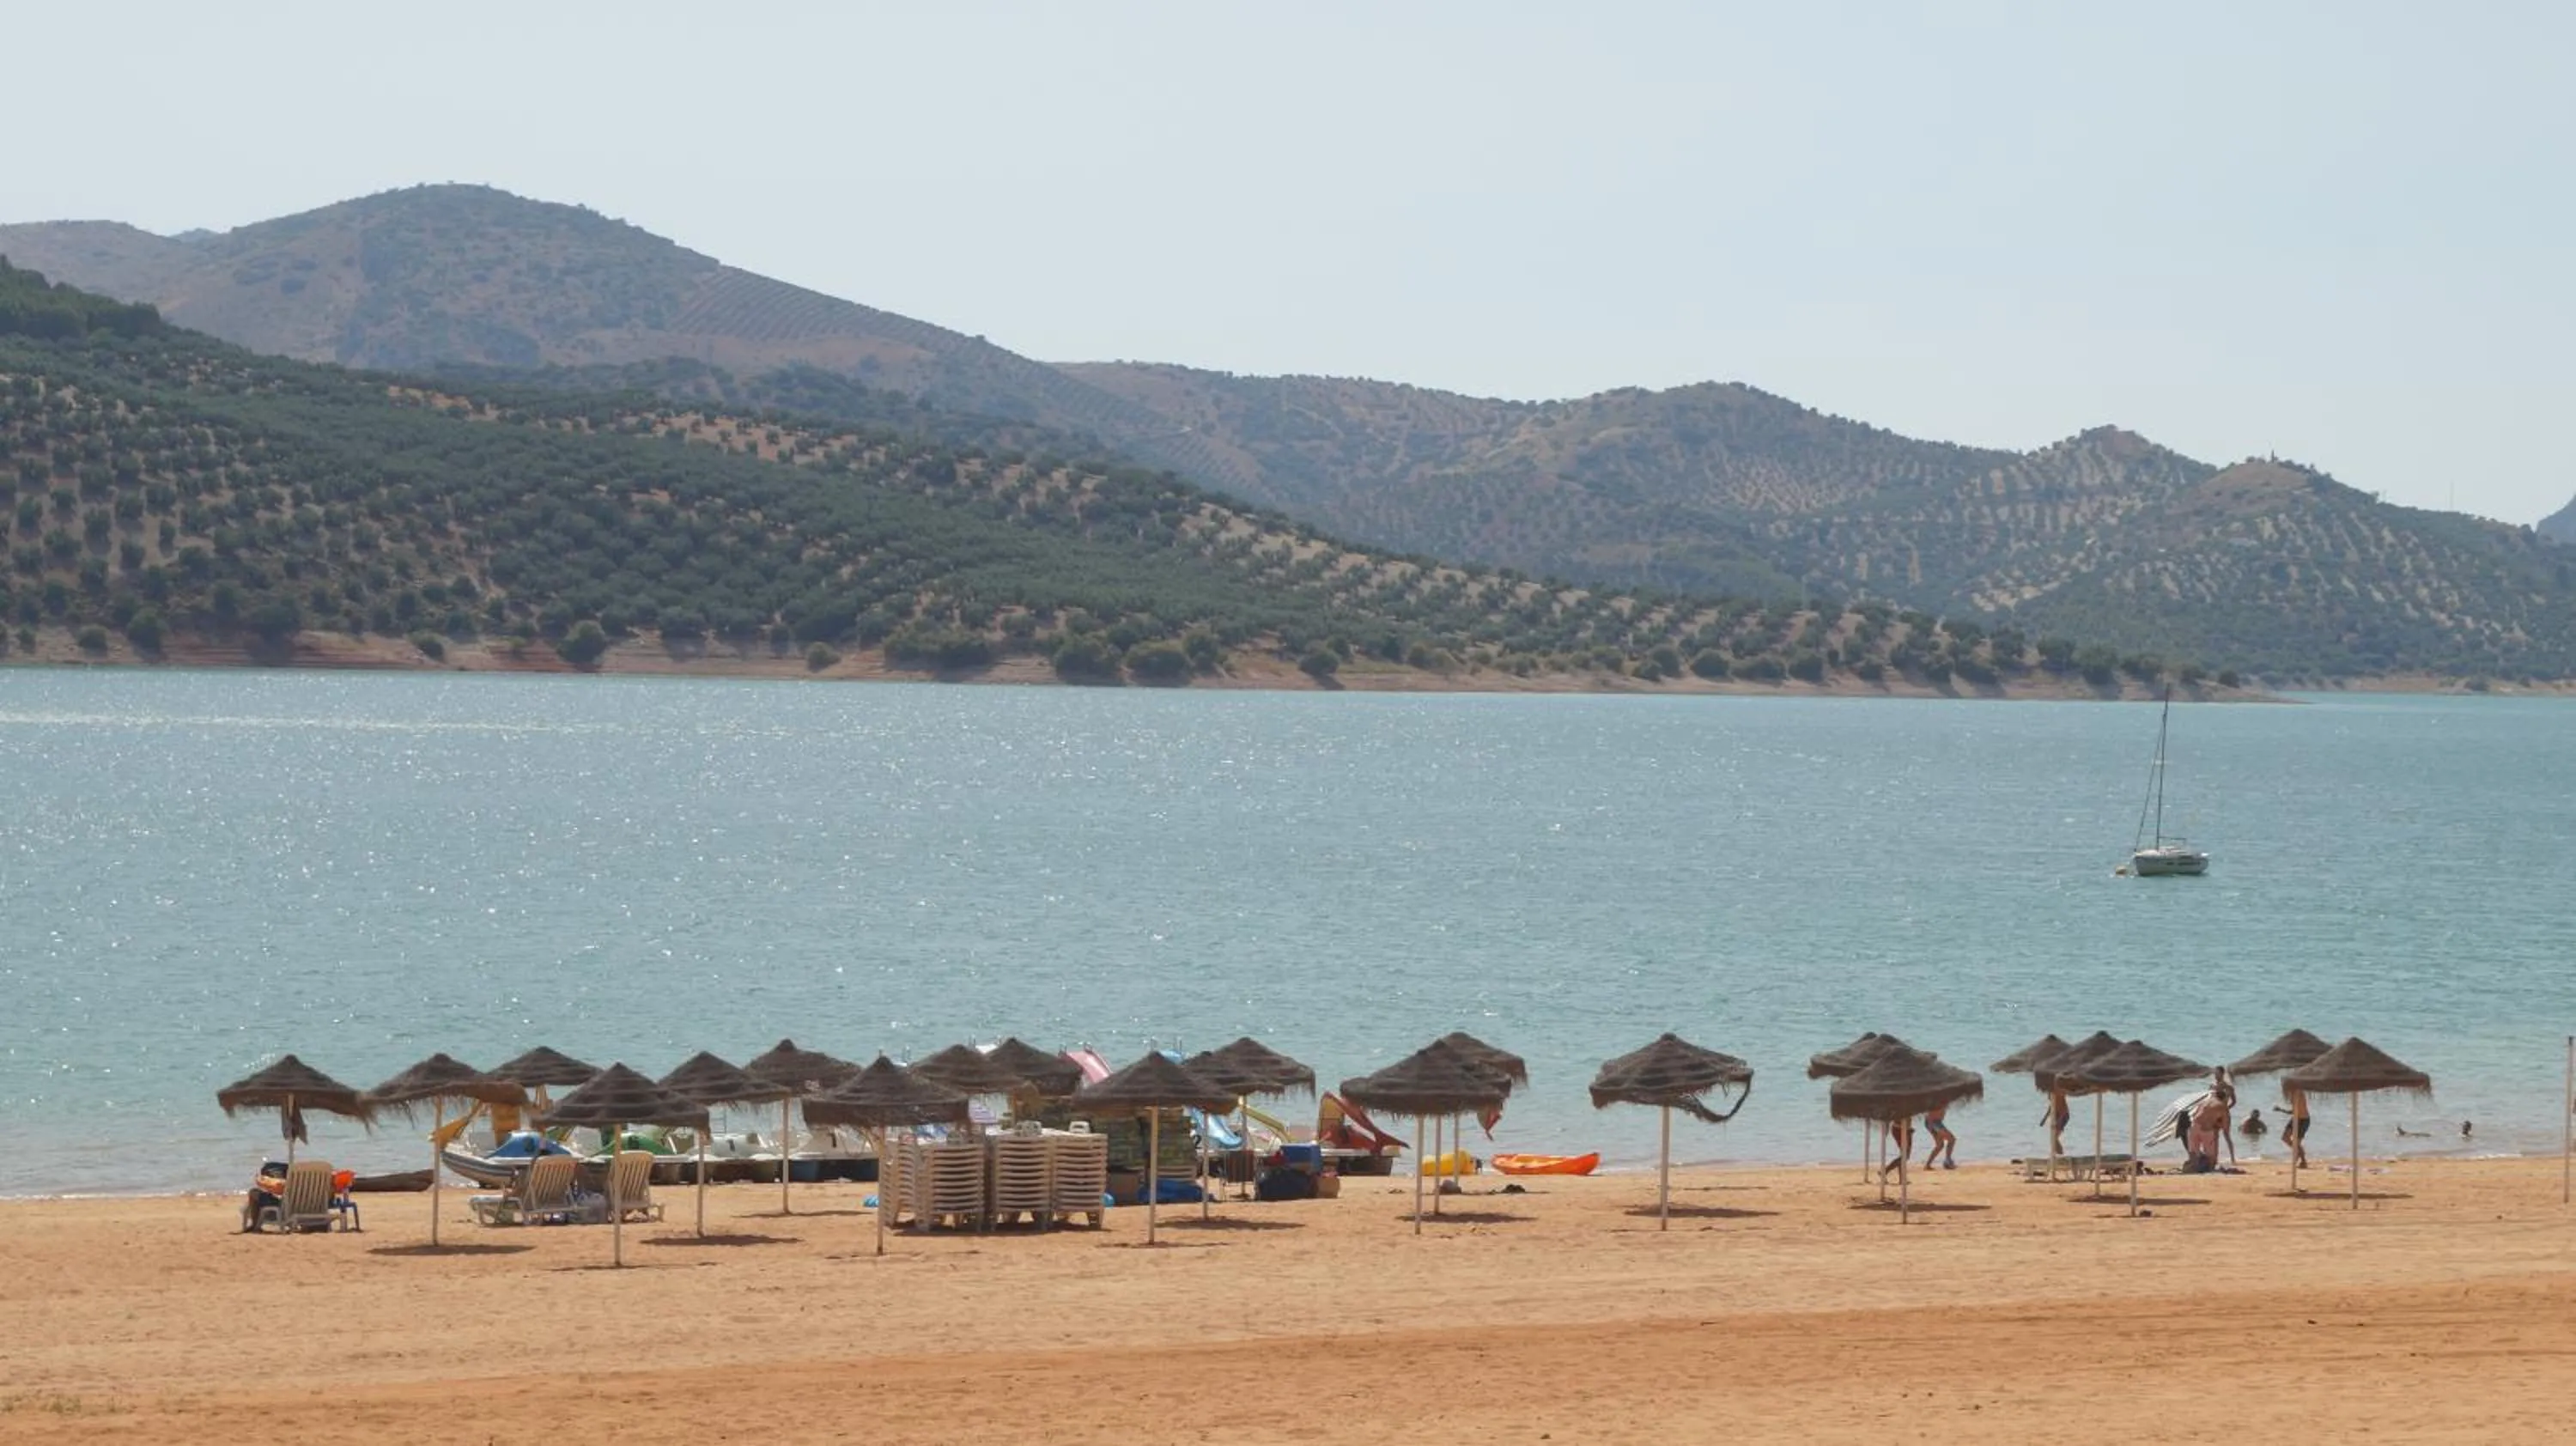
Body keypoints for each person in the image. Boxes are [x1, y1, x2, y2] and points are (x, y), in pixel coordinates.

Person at [2283, 1084, 2312, 1170]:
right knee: (2285, 1137)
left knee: (2297, 1142)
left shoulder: (2299, 1093)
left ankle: (2303, 1161)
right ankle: (2299, 1152)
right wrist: (2282, 1110)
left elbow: (2300, 1108)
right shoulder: (2292, 1095)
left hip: (2303, 1120)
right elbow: (2294, 1110)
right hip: (2295, 1118)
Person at [1881, 1116, 1917, 1180]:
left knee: (1904, 1155)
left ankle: (1902, 1178)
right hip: (1901, 1129)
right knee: (1905, 1156)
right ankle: (1885, 1171)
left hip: (1901, 1129)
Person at [1923, 1105, 1958, 1170]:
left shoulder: (1943, 1099)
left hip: (1936, 1122)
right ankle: (1948, 1162)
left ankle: (1927, 1165)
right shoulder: (1937, 1099)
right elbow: (1930, 1113)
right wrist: (1931, 1126)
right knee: (1952, 1140)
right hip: (1933, 1123)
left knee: (1940, 1145)